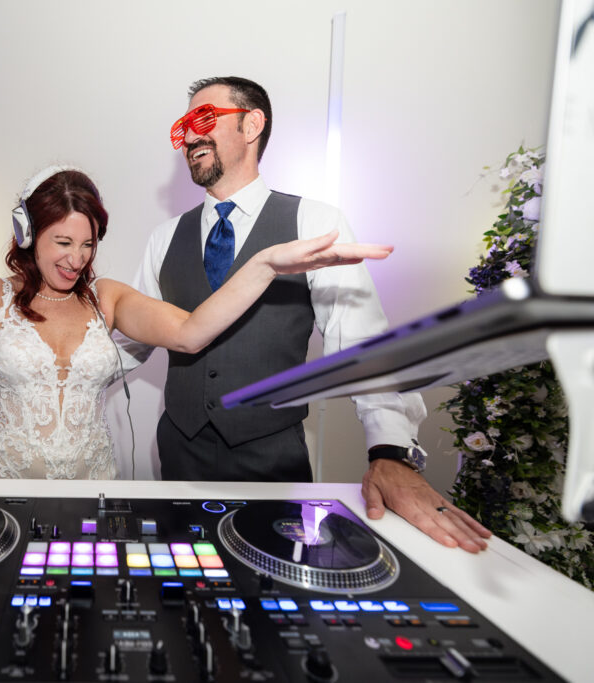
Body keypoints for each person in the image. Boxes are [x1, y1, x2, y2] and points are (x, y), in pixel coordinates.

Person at [0, 106, 391, 479]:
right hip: (2, 486)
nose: (76, 259)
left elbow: (193, 331)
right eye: (61, 242)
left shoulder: (112, 299)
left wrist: (266, 262)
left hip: (92, 487)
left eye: (88, 243)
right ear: (27, 235)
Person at [129, 76, 491, 552]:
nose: (191, 137)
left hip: (272, 464)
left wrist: (390, 450)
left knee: (277, 595)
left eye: (205, 120)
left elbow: (360, 344)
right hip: (179, 456)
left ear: (252, 124)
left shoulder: (315, 223)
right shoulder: (164, 238)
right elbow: (128, 343)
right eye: (184, 126)